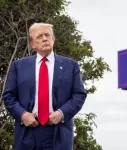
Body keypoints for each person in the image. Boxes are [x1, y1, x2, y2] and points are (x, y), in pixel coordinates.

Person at [2, 22, 87, 150]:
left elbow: (79, 95)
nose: (45, 38)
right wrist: (23, 115)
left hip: (58, 132)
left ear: (53, 39)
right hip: (27, 131)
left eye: (47, 35)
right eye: (39, 36)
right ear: (32, 44)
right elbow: (8, 96)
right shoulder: (18, 66)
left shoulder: (71, 66)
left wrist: (62, 113)